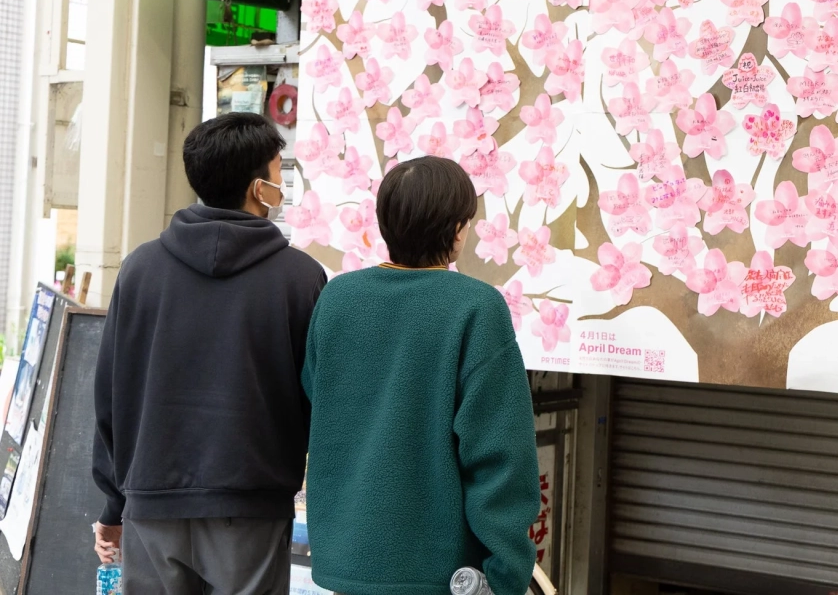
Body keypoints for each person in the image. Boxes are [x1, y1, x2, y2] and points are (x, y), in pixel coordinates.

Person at [92, 112, 326, 594]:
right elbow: (318, 402)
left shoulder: (140, 269)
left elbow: (112, 396)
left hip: (152, 501)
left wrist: (112, 506)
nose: (283, 183)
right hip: (253, 504)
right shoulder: (300, 278)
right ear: (258, 187)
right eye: (280, 171)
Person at [303, 155, 539, 595]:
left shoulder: (338, 298)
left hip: (346, 561)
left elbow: (319, 400)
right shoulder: (476, 307)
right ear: (455, 230)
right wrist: (507, 574)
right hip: (441, 575)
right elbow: (501, 456)